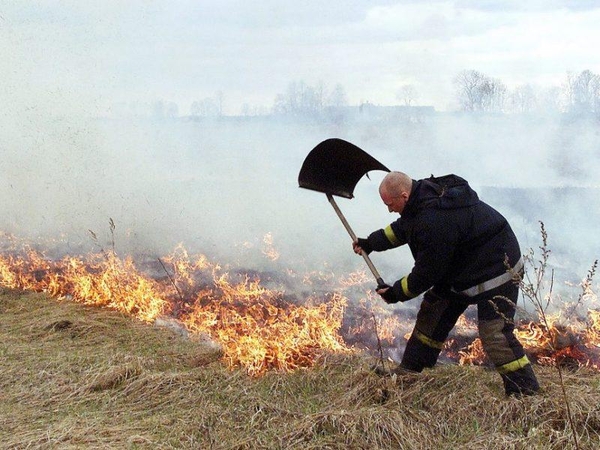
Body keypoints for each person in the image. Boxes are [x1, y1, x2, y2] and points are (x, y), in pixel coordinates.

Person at [353, 171, 539, 397]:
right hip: (461, 267)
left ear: (404, 195)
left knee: (494, 334)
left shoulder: (435, 220)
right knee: (431, 315)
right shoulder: (421, 197)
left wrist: (395, 293)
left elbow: (425, 274)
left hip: (498, 268)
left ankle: (525, 393)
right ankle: (411, 373)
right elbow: (403, 228)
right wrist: (371, 243)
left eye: (390, 204)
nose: (389, 209)